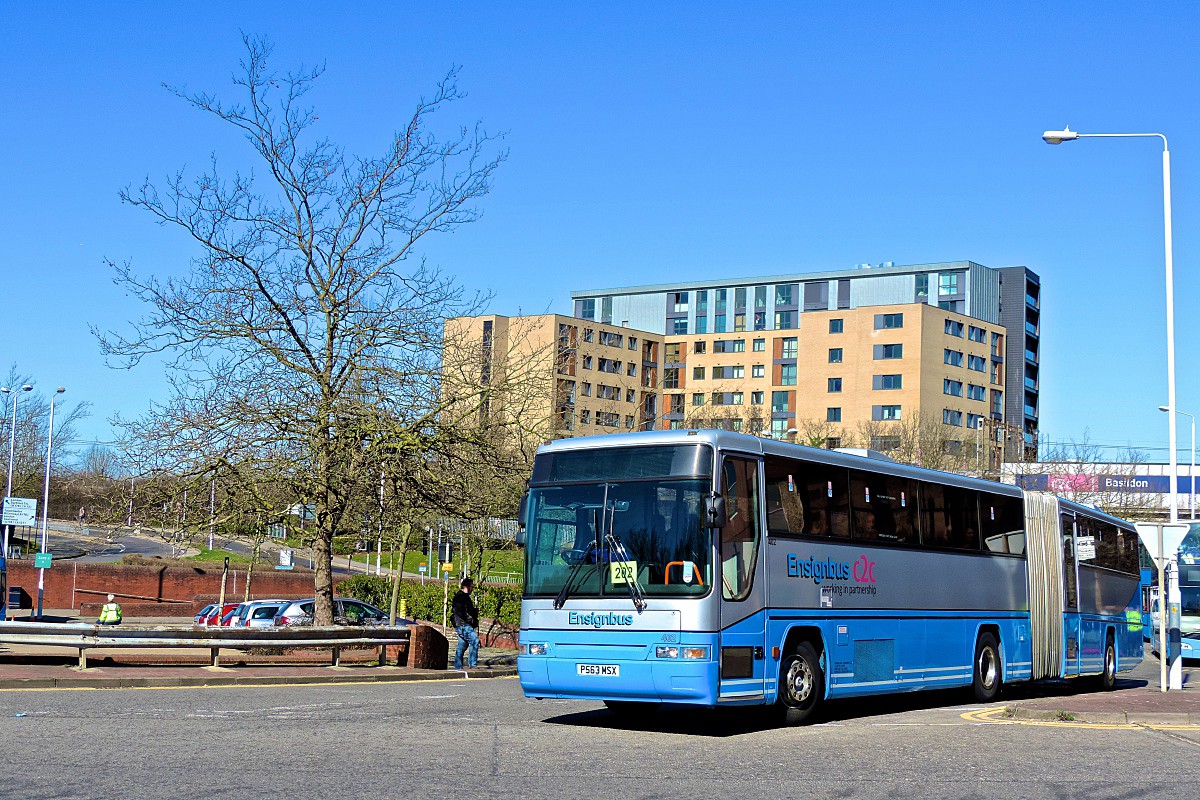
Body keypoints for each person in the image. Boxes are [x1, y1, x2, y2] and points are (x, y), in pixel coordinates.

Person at [451, 577, 480, 669]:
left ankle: (458, 666)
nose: (472, 589)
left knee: (462, 646)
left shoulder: (464, 597)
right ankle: (472, 664)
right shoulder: (460, 597)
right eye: (471, 586)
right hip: (463, 624)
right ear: (466, 586)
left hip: (462, 624)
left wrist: (474, 612)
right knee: (475, 641)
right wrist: (469, 619)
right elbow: (460, 611)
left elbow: (467, 610)